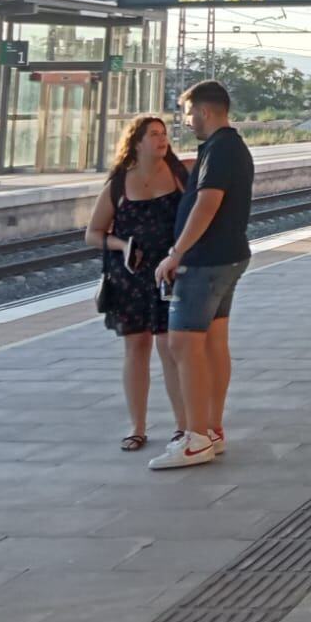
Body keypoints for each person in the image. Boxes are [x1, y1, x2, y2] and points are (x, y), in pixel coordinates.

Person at [150, 81, 254, 470]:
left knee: (183, 345)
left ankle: (195, 438)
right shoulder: (228, 147)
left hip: (205, 260)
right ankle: (211, 429)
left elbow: (208, 203)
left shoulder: (221, 148)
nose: (188, 120)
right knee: (212, 343)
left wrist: (176, 253)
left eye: (189, 112)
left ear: (206, 111)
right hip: (227, 257)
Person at [85, 114, 189, 451]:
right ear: (137, 142)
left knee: (168, 345)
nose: (162, 140)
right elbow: (93, 233)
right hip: (130, 277)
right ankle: (137, 427)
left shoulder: (178, 174)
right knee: (136, 347)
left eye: (164, 134)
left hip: (169, 273)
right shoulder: (118, 184)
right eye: (154, 135)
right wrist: (122, 245)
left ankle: (183, 425)